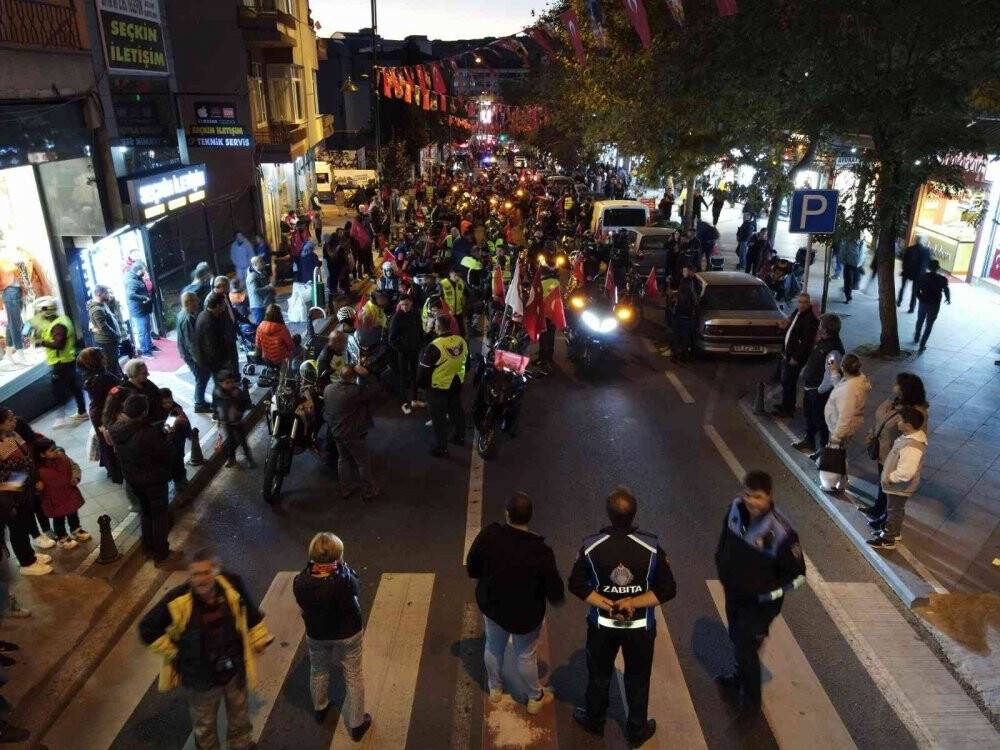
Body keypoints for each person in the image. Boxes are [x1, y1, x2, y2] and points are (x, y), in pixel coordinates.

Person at [568, 487, 676, 747]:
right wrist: (633, 602)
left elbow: (576, 585)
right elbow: (667, 589)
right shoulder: (652, 548)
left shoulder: (591, 546)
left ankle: (595, 721)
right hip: (640, 628)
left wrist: (608, 604)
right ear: (634, 514)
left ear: (609, 514)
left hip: (602, 626)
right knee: (638, 678)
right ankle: (637, 730)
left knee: (599, 674)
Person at [139, 548, 273, 750]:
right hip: (200, 678)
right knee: (205, 723)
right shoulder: (178, 600)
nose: (201, 579)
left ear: (216, 571)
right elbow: (147, 628)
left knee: (239, 713)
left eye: (205, 572)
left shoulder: (232, 584)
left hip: (233, 668)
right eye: (195, 574)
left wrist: (259, 639)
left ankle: (241, 744)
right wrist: (175, 653)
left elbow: (251, 614)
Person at [715, 470, 806, 713]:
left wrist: (768, 595)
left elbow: (798, 577)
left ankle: (751, 704)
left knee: (746, 646)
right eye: (747, 495)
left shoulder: (782, 532)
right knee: (737, 639)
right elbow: (724, 541)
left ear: (769, 497)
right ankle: (739, 677)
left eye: (758, 497)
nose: (751, 502)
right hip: (734, 594)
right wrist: (723, 570)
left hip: (759, 606)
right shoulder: (735, 509)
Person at [466, 492, 564, 713]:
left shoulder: (490, 534)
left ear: (507, 514)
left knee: (492, 646)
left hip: (492, 606)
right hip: (525, 616)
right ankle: (534, 697)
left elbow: (472, 567)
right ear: (529, 517)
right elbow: (556, 591)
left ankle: (495, 689)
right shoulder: (540, 551)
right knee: (525, 655)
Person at [292, 533, 372, 738]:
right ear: (339, 557)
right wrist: (344, 567)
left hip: (317, 633)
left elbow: (302, 604)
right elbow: (357, 586)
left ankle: (320, 708)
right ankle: (356, 724)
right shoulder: (343, 580)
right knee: (353, 675)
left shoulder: (301, 581)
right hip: (348, 633)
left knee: (318, 669)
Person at [107, 394, 172, 563]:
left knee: (145, 512)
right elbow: (163, 454)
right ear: (144, 412)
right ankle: (160, 551)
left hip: (133, 480)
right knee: (159, 516)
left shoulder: (115, 429)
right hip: (154, 480)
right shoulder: (147, 433)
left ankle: (147, 547)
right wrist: (167, 436)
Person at [861, 374, 928, 533]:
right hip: (884, 450)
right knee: (882, 483)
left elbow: (915, 436)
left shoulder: (917, 413)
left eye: (897, 384)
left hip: (895, 454)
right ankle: (878, 509)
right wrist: (873, 433)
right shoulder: (895, 401)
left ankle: (886, 523)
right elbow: (881, 420)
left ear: (906, 389)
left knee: (890, 491)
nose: (894, 386)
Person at [0, 407, 52, 575]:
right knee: (18, 529)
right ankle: (26, 564)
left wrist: (34, 478)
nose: (14, 421)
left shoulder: (13, 434)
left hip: (24, 490)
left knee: (25, 522)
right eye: (9, 420)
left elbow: (26, 459)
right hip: (9, 498)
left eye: (13, 417)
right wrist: (17, 484)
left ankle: (30, 555)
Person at [867, 408, 928, 549]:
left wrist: (890, 478)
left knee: (893, 511)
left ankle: (888, 539)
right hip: (898, 487)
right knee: (897, 509)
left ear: (908, 425)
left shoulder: (912, 446)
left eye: (900, 420)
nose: (897, 422)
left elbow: (906, 472)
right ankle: (895, 532)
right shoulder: (908, 437)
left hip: (899, 486)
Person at [323, 364, 378, 500]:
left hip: (336, 431)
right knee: (363, 463)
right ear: (354, 378)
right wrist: (366, 374)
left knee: (343, 459)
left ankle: (345, 489)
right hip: (353, 433)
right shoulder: (355, 392)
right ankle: (369, 492)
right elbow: (375, 390)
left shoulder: (329, 389)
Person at [792, 314, 844, 456]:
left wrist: (819, 390)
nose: (819, 327)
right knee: (809, 416)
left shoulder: (833, 350)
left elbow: (832, 374)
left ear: (826, 329)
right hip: (811, 388)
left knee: (821, 421)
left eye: (821, 324)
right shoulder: (823, 342)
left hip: (818, 392)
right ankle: (809, 441)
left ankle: (823, 450)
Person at [33, 297, 88, 428]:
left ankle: (60, 418)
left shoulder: (58, 325)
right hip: (66, 360)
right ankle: (82, 412)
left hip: (61, 362)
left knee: (58, 389)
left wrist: (41, 342)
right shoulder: (61, 320)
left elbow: (59, 344)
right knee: (74, 386)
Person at [419, 315, 468, 458]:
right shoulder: (461, 341)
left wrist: (422, 385)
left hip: (438, 387)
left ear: (437, 328)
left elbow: (424, 370)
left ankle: (441, 447)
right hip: (456, 382)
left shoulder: (435, 346)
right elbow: (467, 362)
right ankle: (460, 437)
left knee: (438, 418)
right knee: (456, 409)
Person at [821, 353, 871, 491]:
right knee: (842, 453)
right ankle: (842, 480)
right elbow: (841, 388)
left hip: (840, 427)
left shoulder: (850, 388)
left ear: (843, 367)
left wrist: (837, 436)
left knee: (837, 455)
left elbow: (845, 416)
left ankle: (833, 483)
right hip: (843, 425)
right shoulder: (856, 380)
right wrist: (834, 373)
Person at [77, 347, 123, 483]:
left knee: (105, 442)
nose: (105, 358)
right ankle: (117, 473)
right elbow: (118, 389)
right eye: (101, 356)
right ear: (96, 361)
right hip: (105, 412)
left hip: (99, 412)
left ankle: (112, 470)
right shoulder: (102, 377)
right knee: (111, 442)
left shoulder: (90, 375)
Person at [34, 437, 89, 550]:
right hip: (53, 499)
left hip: (69, 491)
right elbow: (34, 486)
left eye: (55, 448)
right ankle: (62, 537)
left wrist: (75, 477)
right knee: (59, 519)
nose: (56, 451)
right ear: (42, 455)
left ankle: (76, 529)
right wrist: (38, 487)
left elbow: (74, 467)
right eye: (51, 450)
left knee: (73, 512)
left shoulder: (63, 458)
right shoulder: (37, 470)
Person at [773, 294, 818, 418]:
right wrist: (784, 326)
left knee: (789, 382)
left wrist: (796, 358)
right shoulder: (797, 313)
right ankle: (785, 405)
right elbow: (791, 327)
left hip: (795, 357)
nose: (801, 305)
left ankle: (788, 410)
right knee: (785, 382)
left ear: (809, 303)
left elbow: (806, 343)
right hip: (787, 353)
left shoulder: (811, 320)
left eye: (804, 302)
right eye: (800, 302)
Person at [388, 295, 424, 414]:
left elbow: (419, 330)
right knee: (403, 377)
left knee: (414, 375)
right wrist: (401, 349)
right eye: (402, 304)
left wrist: (419, 344)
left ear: (411, 303)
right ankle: (404, 403)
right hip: (403, 353)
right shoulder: (396, 317)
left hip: (414, 350)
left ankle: (414, 399)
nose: (405, 307)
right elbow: (391, 339)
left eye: (407, 304)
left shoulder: (415, 314)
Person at [176, 292, 211, 414]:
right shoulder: (187, 319)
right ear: (188, 303)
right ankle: (199, 404)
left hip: (190, 354)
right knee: (201, 378)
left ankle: (201, 401)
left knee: (202, 377)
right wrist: (199, 360)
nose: (197, 303)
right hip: (192, 356)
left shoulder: (184, 314)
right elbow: (191, 344)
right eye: (195, 301)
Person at [213, 371, 254, 469]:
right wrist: (218, 417)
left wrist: (240, 412)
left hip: (237, 421)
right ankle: (231, 459)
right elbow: (215, 405)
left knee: (243, 441)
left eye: (232, 382)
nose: (230, 384)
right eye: (227, 383)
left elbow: (245, 403)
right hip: (226, 422)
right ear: (220, 383)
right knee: (230, 441)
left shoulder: (237, 392)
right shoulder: (217, 392)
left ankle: (249, 459)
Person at [194, 292, 236, 387]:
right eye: (223, 304)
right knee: (222, 386)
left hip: (213, 361)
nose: (225, 307)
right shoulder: (208, 322)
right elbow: (211, 348)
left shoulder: (205, 314)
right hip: (216, 363)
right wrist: (224, 362)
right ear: (217, 305)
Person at [87, 285, 124, 378]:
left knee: (114, 362)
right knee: (110, 365)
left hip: (110, 340)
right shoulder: (97, 309)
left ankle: (120, 379)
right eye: (106, 293)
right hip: (106, 342)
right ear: (99, 294)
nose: (108, 295)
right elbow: (104, 328)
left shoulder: (102, 304)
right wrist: (116, 335)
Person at [913, 259, 950, 352]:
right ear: (937, 268)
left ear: (929, 268)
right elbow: (946, 289)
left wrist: (920, 298)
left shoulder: (923, 277)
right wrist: (948, 298)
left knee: (920, 320)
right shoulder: (942, 279)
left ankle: (917, 336)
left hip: (923, 302)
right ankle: (922, 344)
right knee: (929, 325)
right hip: (934, 304)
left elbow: (916, 290)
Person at [160, 388, 190, 494]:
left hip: (178, 439)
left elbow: (185, 422)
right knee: (172, 462)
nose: (168, 404)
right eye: (164, 403)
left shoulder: (177, 409)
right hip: (168, 442)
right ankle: (177, 481)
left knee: (179, 460)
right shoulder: (158, 412)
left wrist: (188, 433)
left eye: (170, 401)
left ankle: (181, 479)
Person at [120, 358, 167, 422]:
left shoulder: (146, 382)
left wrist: (174, 407)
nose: (148, 374)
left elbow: (161, 394)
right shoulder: (125, 390)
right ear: (134, 374)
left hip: (161, 415)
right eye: (144, 373)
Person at [125, 262, 155, 356]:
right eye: (143, 270)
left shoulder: (136, 277)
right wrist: (144, 298)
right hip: (139, 311)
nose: (145, 271)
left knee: (147, 329)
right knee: (142, 331)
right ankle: (144, 351)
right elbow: (130, 295)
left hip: (144, 308)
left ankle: (149, 346)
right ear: (139, 270)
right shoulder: (131, 281)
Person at [671, 265, 699, 361]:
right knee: (682, 337)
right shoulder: (688, 282)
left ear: (690, 272)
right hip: (685, 315)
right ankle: (680, 354)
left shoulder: (688, 283)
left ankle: (679, 354)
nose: (683, 273)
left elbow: (687, 299)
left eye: (685, 271)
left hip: (684, 314)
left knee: (681, 336)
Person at [898, 236, 931, 313]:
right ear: (923, 241)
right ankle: (911, 308)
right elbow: (928, 263)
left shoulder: (909, 249)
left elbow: (904, 260)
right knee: (914, 292)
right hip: (919, 275)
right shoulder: (926, 251)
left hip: (907, 272)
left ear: (916, 240)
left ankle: (899, 301)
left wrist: (904, 269)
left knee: (903, 287)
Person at [246, 255, 274, 324]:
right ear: (255, 264)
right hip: (258, 306)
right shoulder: (252, 276)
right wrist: (269, 287)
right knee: (260, 326)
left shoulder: (262, 272)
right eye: (261, 262)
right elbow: (256, 291)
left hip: (265, 304)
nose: (263, 263)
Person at [840, 233, 864, 303]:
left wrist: (861, 263)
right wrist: (843, 261)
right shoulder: (848, 242)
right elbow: (842, 252)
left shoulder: (861, 243)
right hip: (849, 265)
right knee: (848, 281)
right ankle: (848, 297)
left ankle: (846, 291)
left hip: (857, 266)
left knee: (855, 281)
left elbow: (862, 253)